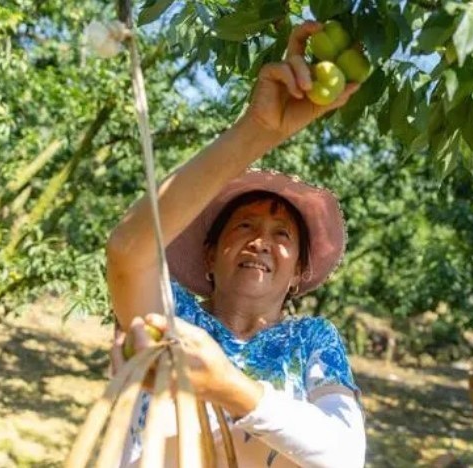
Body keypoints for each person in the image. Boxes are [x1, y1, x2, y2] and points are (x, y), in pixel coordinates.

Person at [105, 21, 365, 468]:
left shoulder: (311, 340)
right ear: (210, 253)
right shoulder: (176, 317)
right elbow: (128, 251)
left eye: (283, 235)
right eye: (243, 226)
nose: (262, 241)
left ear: (299, 271)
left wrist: (231, 387)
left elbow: (343, 454)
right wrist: (258, 129)